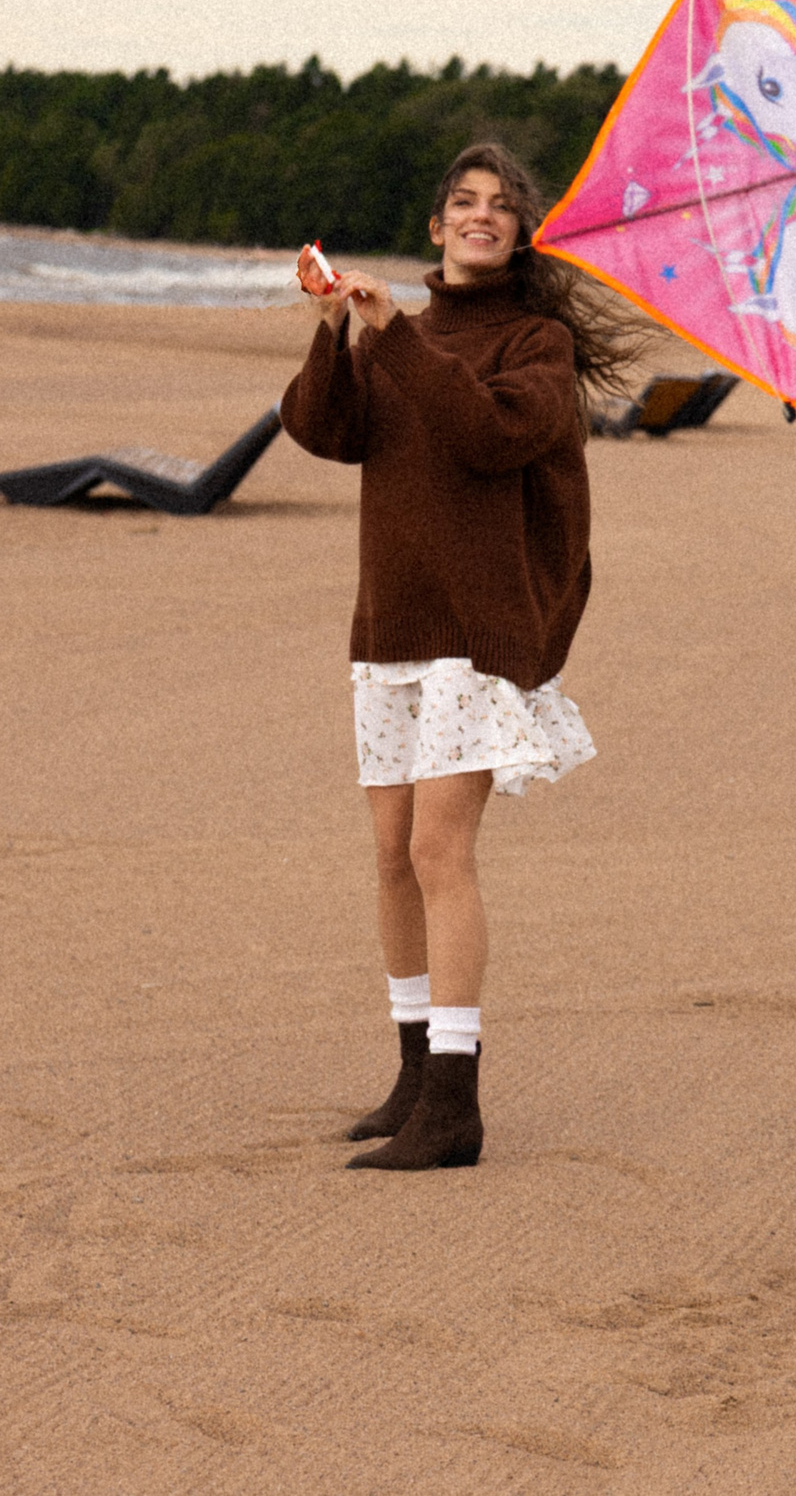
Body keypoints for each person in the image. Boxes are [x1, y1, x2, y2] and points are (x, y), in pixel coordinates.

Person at [280, 140, 637, 1172]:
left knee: (440, 853)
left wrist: (394, 336)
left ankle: (454, 1104)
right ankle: (411, 1076)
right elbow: (323, 430)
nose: (481, 215)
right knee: (392, 855)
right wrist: (334, 329)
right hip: (391, 625)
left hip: (476, 633)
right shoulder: (403, 335)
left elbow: (485, 435)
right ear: (437, 225)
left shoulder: (536, 344)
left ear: (520, 233)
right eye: (464, 202)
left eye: (501, 205)